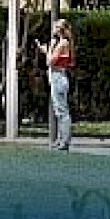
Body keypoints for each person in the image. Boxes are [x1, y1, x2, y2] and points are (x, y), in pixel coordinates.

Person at [38, 19, 76, 151]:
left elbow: (50, 61)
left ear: (60, 30)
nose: (53, 29)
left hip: (58, 77)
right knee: (59, 110)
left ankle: (64, 140)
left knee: (62, 111)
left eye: (56, 27)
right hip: (57, 77)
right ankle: (61, 139)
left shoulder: (62, 44)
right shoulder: (62, 43)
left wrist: (47, 50)